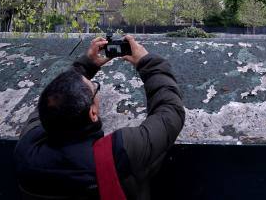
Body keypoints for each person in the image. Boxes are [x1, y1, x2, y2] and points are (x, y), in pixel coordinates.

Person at [14, 35, 185, 200]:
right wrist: (147, 62)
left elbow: (52, 100)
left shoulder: (26, 148)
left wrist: (86, 65)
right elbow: (170, 112)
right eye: (95, 88)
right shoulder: (119, 152)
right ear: (93, 113)